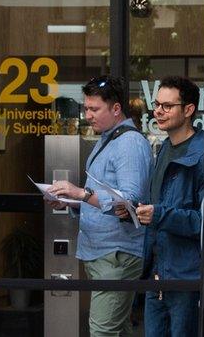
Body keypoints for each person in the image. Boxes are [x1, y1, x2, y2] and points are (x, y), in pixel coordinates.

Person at [48, 76, 151, 337]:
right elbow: (101, 197)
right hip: (104, 253)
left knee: (102, 331)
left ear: (116, 109)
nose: (88, 115)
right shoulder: (108, 139)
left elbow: (130, 200)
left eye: (95, 109)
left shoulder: (128, 143)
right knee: (119, 328)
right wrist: (72, 201)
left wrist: (80, 194)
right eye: (86, 108)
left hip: (116, 253)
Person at [121, 76, 204, 337]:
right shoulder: (164, 148)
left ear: (188, 110)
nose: (158, 111)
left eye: (167, 106)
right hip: (156, 275)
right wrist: (132, 212)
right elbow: (158, 207)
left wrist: (158, 214)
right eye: (156, 104)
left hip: (186, 277)